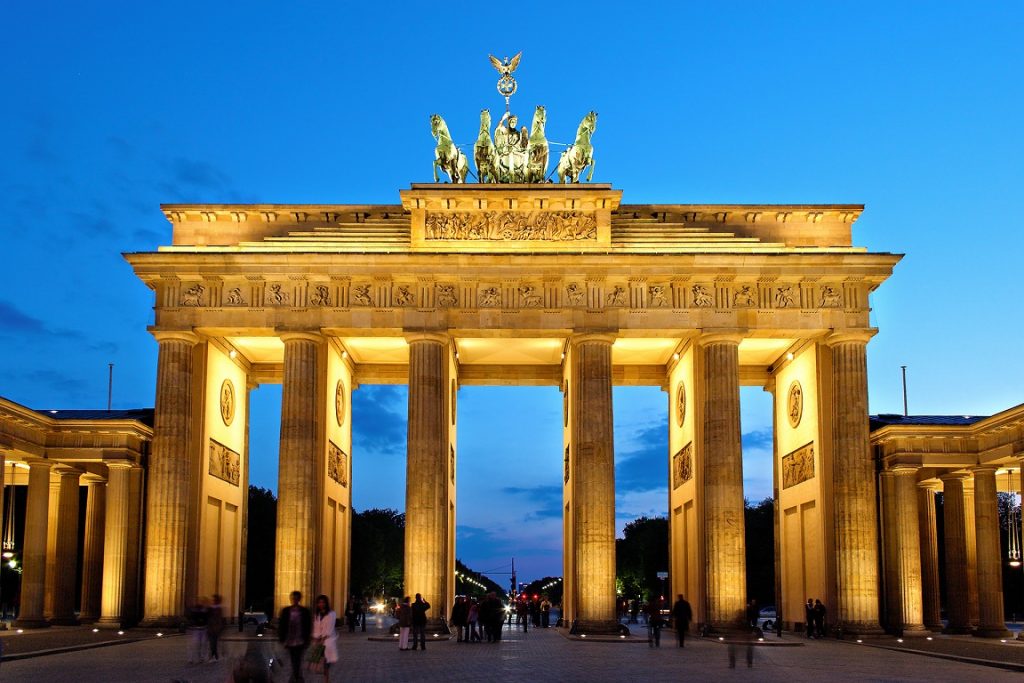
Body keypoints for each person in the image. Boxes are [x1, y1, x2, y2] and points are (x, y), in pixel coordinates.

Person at [278, 590, 313, 683]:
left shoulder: (305, 611)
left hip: (300, 640)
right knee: (293, 660)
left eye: (296, 598)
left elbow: (308, 626)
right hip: (289, 640)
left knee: (297, 659)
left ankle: (296, 677)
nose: (294, 600)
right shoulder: (286, 611)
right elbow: (282, 625)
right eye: (293, 598)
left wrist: (308, 639)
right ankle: (297, 677)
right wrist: (281, 638)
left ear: (299, 599)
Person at [311, 595, 338, 683]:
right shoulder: (317, 615)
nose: (321, 604)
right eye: (319, 602)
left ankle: (326, 680)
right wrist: (316, 637)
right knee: (320, 660)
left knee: (326, 661)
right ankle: (326, 679)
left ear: (326, 603)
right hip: (319, 640)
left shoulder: (332, 614)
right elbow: (316, 628)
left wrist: (323, 638)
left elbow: (329, 629)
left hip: (328, 640)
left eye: (323, 602)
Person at [186, 597, 208, 665]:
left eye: (201, 601)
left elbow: (207, 618)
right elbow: (190, 618)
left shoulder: (205, 609)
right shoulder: (194, 609)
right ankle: (191, 658)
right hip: (196, 629)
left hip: (203, 628)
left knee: (203, 644)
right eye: (199, 601)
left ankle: (201, 657)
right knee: (194, 644)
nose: (200, 602)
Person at [207, 593, 225, 661]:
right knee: (213, 642)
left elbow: (220, 619)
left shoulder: (218, 609)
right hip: (212, 628)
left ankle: (214, 654)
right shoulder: (212, 608)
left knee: (214, 642)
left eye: (214, 599)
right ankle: (214, 654)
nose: (212, 600)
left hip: (215, 629)